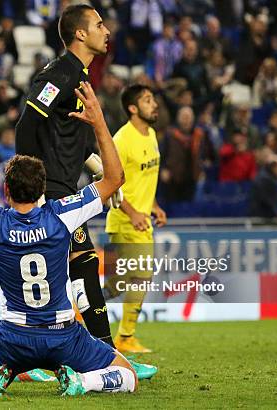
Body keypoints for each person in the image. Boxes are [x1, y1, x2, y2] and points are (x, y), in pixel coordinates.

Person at [0, 84, 140, 397]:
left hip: (13, 336)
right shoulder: (62, 214)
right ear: (43, 190)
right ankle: (83, 382)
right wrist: (98, 122)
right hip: (63, 336)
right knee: (127, 375)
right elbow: (114, 178)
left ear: (6, 192)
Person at [14, 2, 115, 350]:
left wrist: (105, 176)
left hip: (65, 187)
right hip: (51, 189)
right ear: (80, 33)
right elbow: (28, 122)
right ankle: (107, 353)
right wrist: (31, 185)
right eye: (99, 24)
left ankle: (38, 354)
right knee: (83, 264)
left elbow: (80, 145)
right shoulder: (61, 73)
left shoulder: (80, 77)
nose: (107, 31)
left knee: (74, 268)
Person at [103, 84, 167, 353]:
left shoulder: (150, 134)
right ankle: (125, 336)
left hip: (141, 218)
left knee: (118, 285)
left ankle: (77, 311)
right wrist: (132, 212)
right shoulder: (122, 140)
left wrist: (153, 205)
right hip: (124, 219)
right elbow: (110, 182)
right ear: (133, 108)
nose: (154, 104)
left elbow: (141, 179)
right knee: (140, 276)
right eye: (147, 100)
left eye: (153, 99)